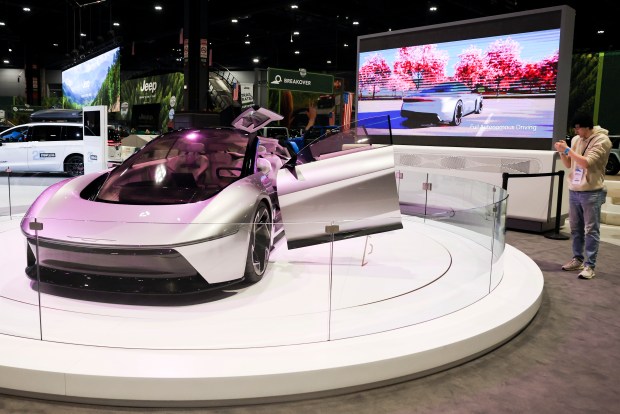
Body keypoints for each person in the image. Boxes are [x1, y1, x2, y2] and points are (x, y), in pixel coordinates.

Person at [554, 113, 611, 279]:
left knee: (591, 229)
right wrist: (562, 152)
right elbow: (568, 164)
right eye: (575, 128)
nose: (576, 131)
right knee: (575, 228)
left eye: (578, 128)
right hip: (575, 189)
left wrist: (567, 150)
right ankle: (577, 259)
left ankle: (590, 265)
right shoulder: (575, 140)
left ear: (587, 126)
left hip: (592, 191)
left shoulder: (602, 140)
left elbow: (587, 162)